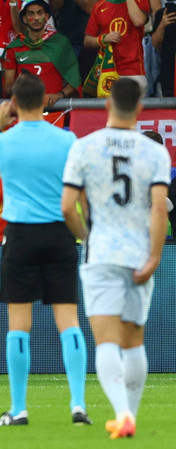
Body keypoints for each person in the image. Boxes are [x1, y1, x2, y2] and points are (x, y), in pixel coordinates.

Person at [0, 72, 90, 426]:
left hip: (20, 236)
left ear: (14, 103)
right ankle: (78, 405)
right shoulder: (68, 139)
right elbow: (81, 189)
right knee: (68, 321)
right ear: (45, 100)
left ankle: (19, 409)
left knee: (19, 326)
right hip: (61, 235)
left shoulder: (5, 140)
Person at [61, 79, 170, 438]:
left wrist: (86, 236)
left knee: (107, 341)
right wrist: (154, 255)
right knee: (134, 340)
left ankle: (121, 413)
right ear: (140, 110)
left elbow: (67, 207)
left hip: (102, 252)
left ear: (107, 106)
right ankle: (131, 416)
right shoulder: (156, 152)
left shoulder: (84, 147)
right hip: (139, 253)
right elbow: (159, 208)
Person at [3, 0, 80, 107]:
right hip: (26, 110)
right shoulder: (14, 47)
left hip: (54, 110)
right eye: (31, 14)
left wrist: (59, 95)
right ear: (24, 19)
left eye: (40, 13)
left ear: (47, 16)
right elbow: (7, 88)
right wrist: (19, 87)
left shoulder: (61, 43)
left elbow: (75, 80)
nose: (36, 18)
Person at [84, 0, 149, 93]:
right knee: (109, 107)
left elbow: (138, 20)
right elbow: (87, 41)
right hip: (107, 71)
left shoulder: (139, 1)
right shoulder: (99, 6)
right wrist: (103, 39)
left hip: (133, 70)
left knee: (132, 107)